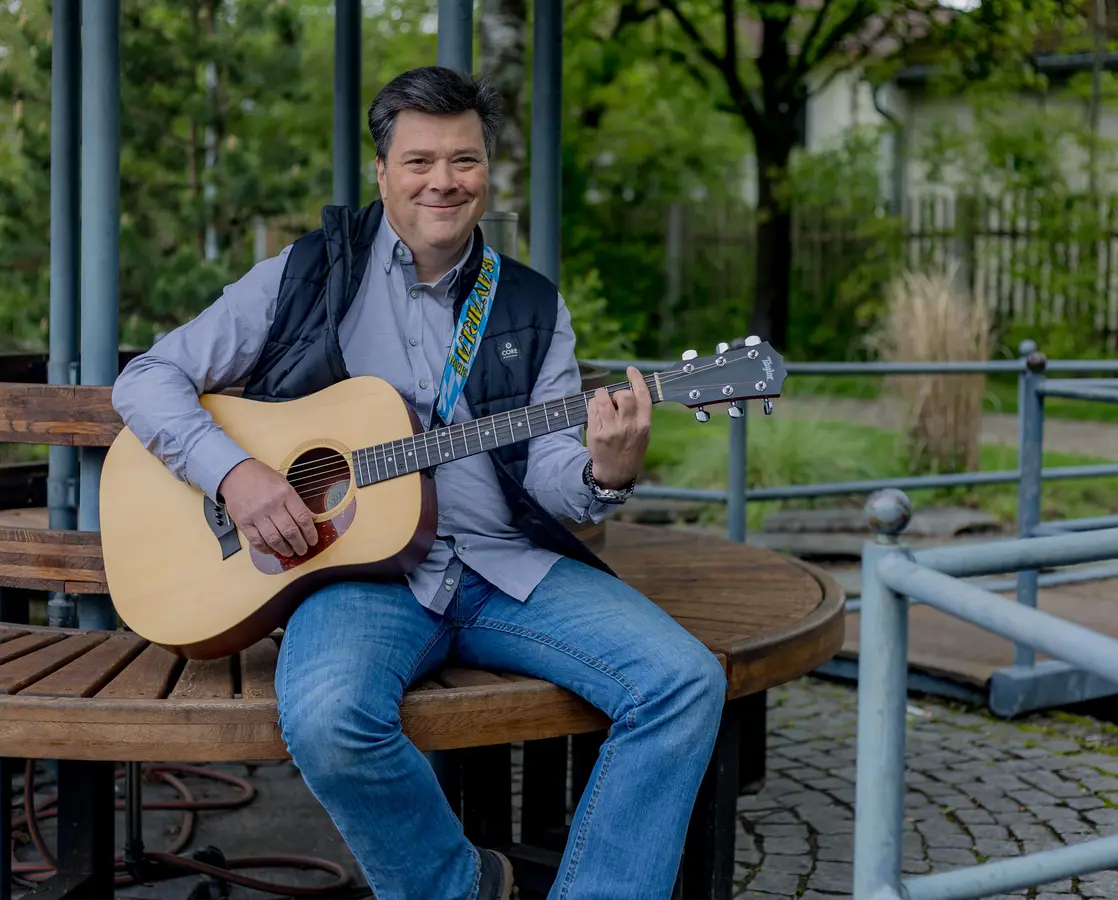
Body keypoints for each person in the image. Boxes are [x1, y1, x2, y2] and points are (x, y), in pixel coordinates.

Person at [110, 66, 726, 900]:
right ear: (383, 172)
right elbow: (147, 379)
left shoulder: (530, 304)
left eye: (464, 161)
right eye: (420, 161)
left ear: (487, 171)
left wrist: (603, 472)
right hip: (364, 577)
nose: (444, 181)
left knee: (684, 680)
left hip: (504, 570)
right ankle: (463, 887)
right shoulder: (309, 274)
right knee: (330, 722)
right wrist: (240, 477)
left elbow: (551, 478)